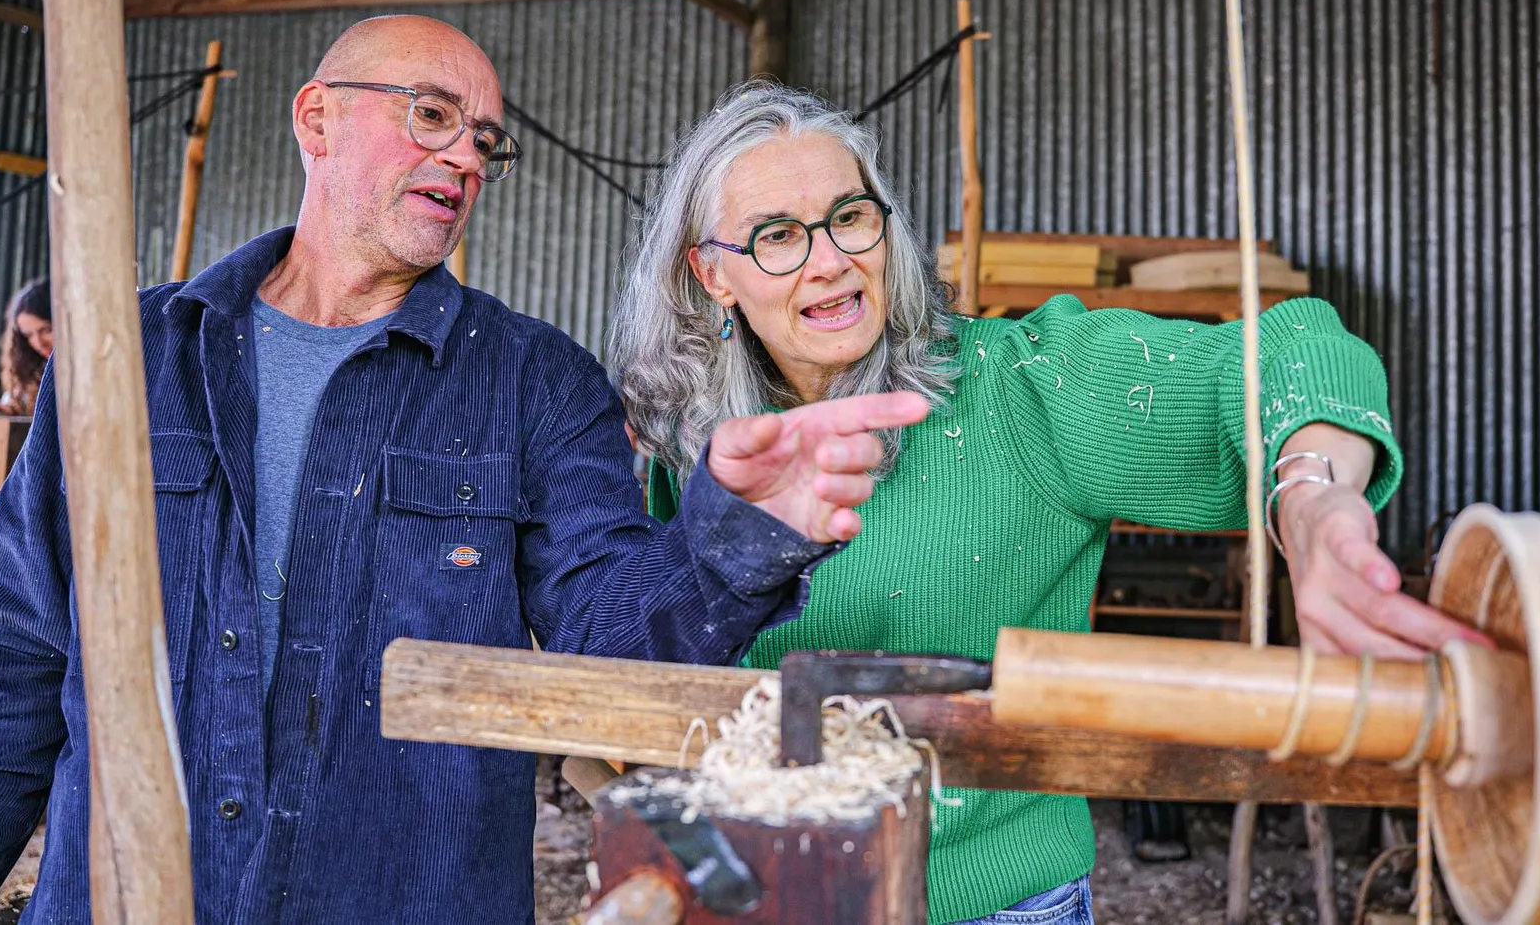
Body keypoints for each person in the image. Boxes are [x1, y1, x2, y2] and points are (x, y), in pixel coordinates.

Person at [0, 17, 928, 924]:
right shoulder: (131, 357)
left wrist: (731, 539)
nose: (465, 156)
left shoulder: (536, 383)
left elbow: (607, 654)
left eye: (485, 141)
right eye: (432, 114)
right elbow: (9, 661)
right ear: (317, 120)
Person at [606, 82, 1491, 925]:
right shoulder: (682, 445)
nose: (831, 259)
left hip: (992, 901)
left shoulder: (1021, 387)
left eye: (848, 216)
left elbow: (1291, 352)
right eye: (776, 236)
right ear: (712, 274)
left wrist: (1310, 502)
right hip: (753, 899)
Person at [0, 277, 53, 417]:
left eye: (46, 330)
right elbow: (11, 402)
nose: (38, 342)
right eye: (28, 335)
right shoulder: (32, 372)